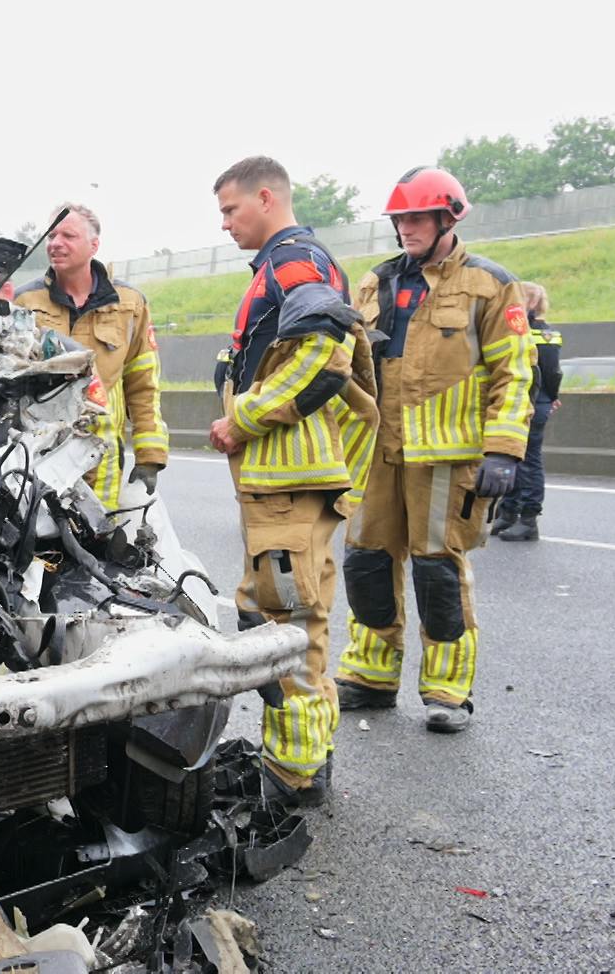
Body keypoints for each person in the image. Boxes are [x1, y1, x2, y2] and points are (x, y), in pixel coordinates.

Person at [333, 167, 534, 734]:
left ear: (449, 218)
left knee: (437, 571)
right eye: (399, 219)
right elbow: (348, 362)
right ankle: (370, 676)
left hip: (445, 458)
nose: (405, 228)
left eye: (416, 218)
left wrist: (504, 450)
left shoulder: (490, 285)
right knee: (367, 562)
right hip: (376, 452)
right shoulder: (374, 284)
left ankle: (447, 690)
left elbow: (515, 371)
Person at [207, 157, 378, 807]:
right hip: (281, 477)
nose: (224, 225)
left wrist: (241, 419)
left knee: (279, 621)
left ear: (266, 197)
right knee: (282, 612)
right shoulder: (283, 265)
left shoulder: (294, 261)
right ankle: (305, 755)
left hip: (287, 474)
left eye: (231, 210)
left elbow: (324, 360)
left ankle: (293, 772)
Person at [13, 203, 167, 509]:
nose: (55, 243)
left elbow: (143, 384)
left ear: (94, 245)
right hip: (39, 453)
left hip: (102, 458)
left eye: (67, 235)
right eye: (52, 235)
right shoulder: (25, 301)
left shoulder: (130, 304)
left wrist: (150, 456)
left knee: (96, 540)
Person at [494, 282, 562, 541]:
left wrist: (550, 397)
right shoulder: (517, 329)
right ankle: (508, 511)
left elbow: (551, 371)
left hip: (534, 402)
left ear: (531, 303)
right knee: (511, 457)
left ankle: (529, 518)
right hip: (521, 400)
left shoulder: (544, 335)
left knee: (529, 462)